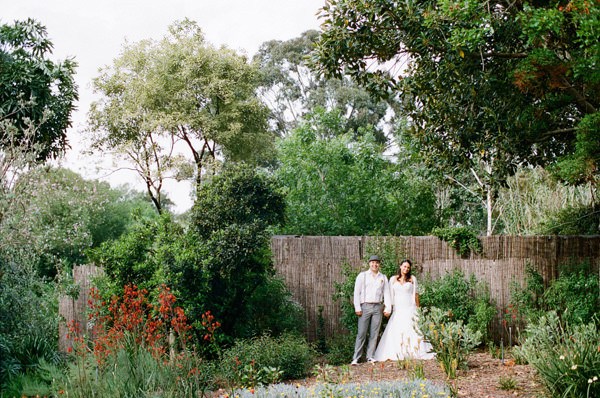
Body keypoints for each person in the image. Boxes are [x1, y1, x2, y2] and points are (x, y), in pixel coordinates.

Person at [373, 259, 435, 361]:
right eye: (404, 266)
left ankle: (414, 351)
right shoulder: (393, 279)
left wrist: (418, 309)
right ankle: (398, 352)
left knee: (413, 329)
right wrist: (389, 308)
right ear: (400, 266)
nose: (406, 269)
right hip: (398, 309)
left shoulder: (412, 279)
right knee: (397, 330)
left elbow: (415, 295)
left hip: (410, 307)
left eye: (408, 267)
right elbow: (389, 295)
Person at [350, 255, 391, 365]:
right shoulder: (362, 276)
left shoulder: (383, 277)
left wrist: (388, 307)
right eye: (372, 262)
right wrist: (357, 307)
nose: (375, 264)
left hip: (378, 307)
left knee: (374, 333)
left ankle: (370, 356)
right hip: (365, 307)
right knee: (361, 333)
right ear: (369, 263)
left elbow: (387, 293)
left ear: (379, 264)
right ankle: (356, 358)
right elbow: (356, 293)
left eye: (377, 263)